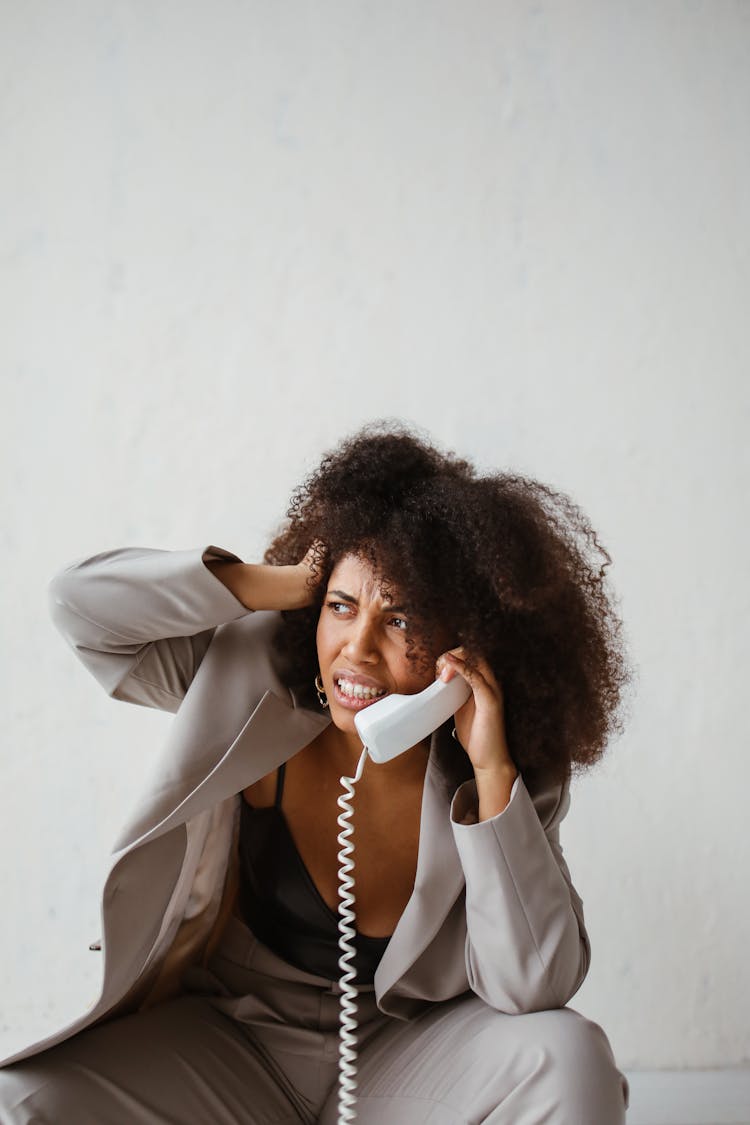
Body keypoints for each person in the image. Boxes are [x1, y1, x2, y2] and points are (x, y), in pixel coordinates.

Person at [0, 421, 631, 1123]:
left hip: (408, 1057)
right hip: (236, 1044)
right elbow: (79, 607)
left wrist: (490, 771)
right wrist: (283, 581)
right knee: (24, 1099)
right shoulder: (247, 674)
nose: (356, 647)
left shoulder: (504, 766)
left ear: (463, 648)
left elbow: (535, 984)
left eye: (401, 620)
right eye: (342, 606)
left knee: (570, 1056)